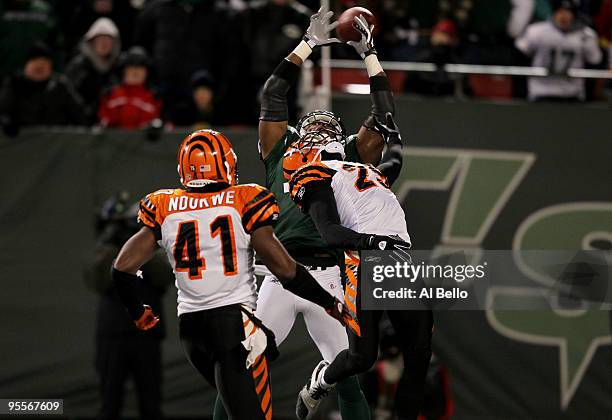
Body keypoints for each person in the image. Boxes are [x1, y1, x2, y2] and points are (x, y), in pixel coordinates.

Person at [213, 7, 395, 420]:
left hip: (331, 274)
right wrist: (307, 44)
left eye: (328, 123)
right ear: (298, 129)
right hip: (280, 271)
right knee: (241, 367)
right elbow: (273, 93)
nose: (319, 127)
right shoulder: (281, 150)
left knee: (350, 373)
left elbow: (383, 117)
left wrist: (369, 54)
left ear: (340, 133)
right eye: (311, 122)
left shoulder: (350, 154)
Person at [111, 129, 350, 420]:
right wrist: (326, 299)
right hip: (233, 327)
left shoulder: (165, 206)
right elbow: (284, 269)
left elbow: (122, 268)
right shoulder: (243, 199)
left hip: (191, 331)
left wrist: (137, 311)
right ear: (224, 164)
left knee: (236, 406)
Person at [289, 113, 434, 420]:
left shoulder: (366, 171)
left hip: (400, 261)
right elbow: (329, 232)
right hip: (365, 262)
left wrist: (395, 137)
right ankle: (321, 381)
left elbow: (393, 163)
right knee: (361, 357)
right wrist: (375, 242)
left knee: (419, 354)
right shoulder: (315, 176)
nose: (325, 140)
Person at [84, 193, 170, 420]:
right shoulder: (105, 250)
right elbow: (98, 280)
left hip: (146, 335)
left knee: (151, 404)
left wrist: (140, 245)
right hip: (113, 335)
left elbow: (164, 277)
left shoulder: (153, 246)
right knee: (109, 404)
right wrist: (115, 245)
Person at [515, 0, 602, 101]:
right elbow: (520, 57)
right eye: (560, 11)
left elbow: (595, 61)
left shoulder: (585, 35)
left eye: (567, 12)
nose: (563, 16)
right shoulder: (537, 31)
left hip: (572, 93)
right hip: (541, 91)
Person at [0, 42, 86, 136]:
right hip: (23, 142)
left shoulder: (61, 86)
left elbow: (79, 114)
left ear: (50, 66)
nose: (39, 67)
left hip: (56, 143)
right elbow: (4, 110)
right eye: (35, 64)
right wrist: (7, 122)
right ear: (26, 65)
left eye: (44, 63)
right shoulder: (14, 84)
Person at [65, 17, 122, 123]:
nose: (104, 43)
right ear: (91, 42)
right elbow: (69, 96)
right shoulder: (78, 66)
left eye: (108, 39)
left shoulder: (119, 66)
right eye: (100, 39)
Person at [98, 46, 161, 129]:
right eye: (131, 66)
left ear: (147, 72)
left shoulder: (155, 98)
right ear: (124, 70)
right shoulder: (109, 94)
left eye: (140, 67)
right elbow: (102, 123)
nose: (135, 71)